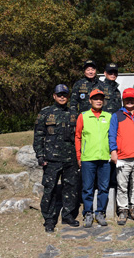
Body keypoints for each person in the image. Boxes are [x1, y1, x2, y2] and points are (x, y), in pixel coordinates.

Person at [33, 84, 79, 233]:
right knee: (50, 189)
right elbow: (38, 135)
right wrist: (40, 155)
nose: (62, 97)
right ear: (54, 96)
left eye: (65, 95)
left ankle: (67, 215)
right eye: (59, 95)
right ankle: (49, 219)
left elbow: (80, 135)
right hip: (51, 159)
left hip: (70, 158)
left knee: (70, 188)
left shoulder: (74, 113)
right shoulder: (45, 113)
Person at [75, 89, 112, 227]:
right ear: (90, 100)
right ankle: (88, 213)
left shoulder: (108, 116)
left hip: (104, 158)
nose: (98, 101)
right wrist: (79, 156)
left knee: (104, 187)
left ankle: (100, 212)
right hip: (88, 158)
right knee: (87, 188)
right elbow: (78, 136)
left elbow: (113, 136)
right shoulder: (83, 116)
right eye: (95, 98)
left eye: (101, 99)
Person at [109, 88, 134, 225]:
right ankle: (123, 210)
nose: (130, 101)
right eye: (127, 99)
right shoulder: (116, 116)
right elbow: (112, 135)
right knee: (122, 186)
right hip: (123, 158)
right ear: (123, 100)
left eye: (132, 98)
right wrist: (113, 151)